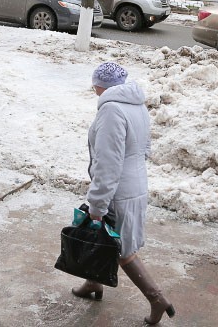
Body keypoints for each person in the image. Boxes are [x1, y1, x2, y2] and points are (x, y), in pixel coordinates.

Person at [71, 62, 175, 325]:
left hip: (118, 192)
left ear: (100, 85)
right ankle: (93, 282)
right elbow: (145, 149)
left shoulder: (111, 111)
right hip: (136, 185)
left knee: (122, 250)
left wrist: (97, 205)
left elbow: (108, 163)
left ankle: (156, 298)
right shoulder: (136, 105)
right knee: (105, 241)